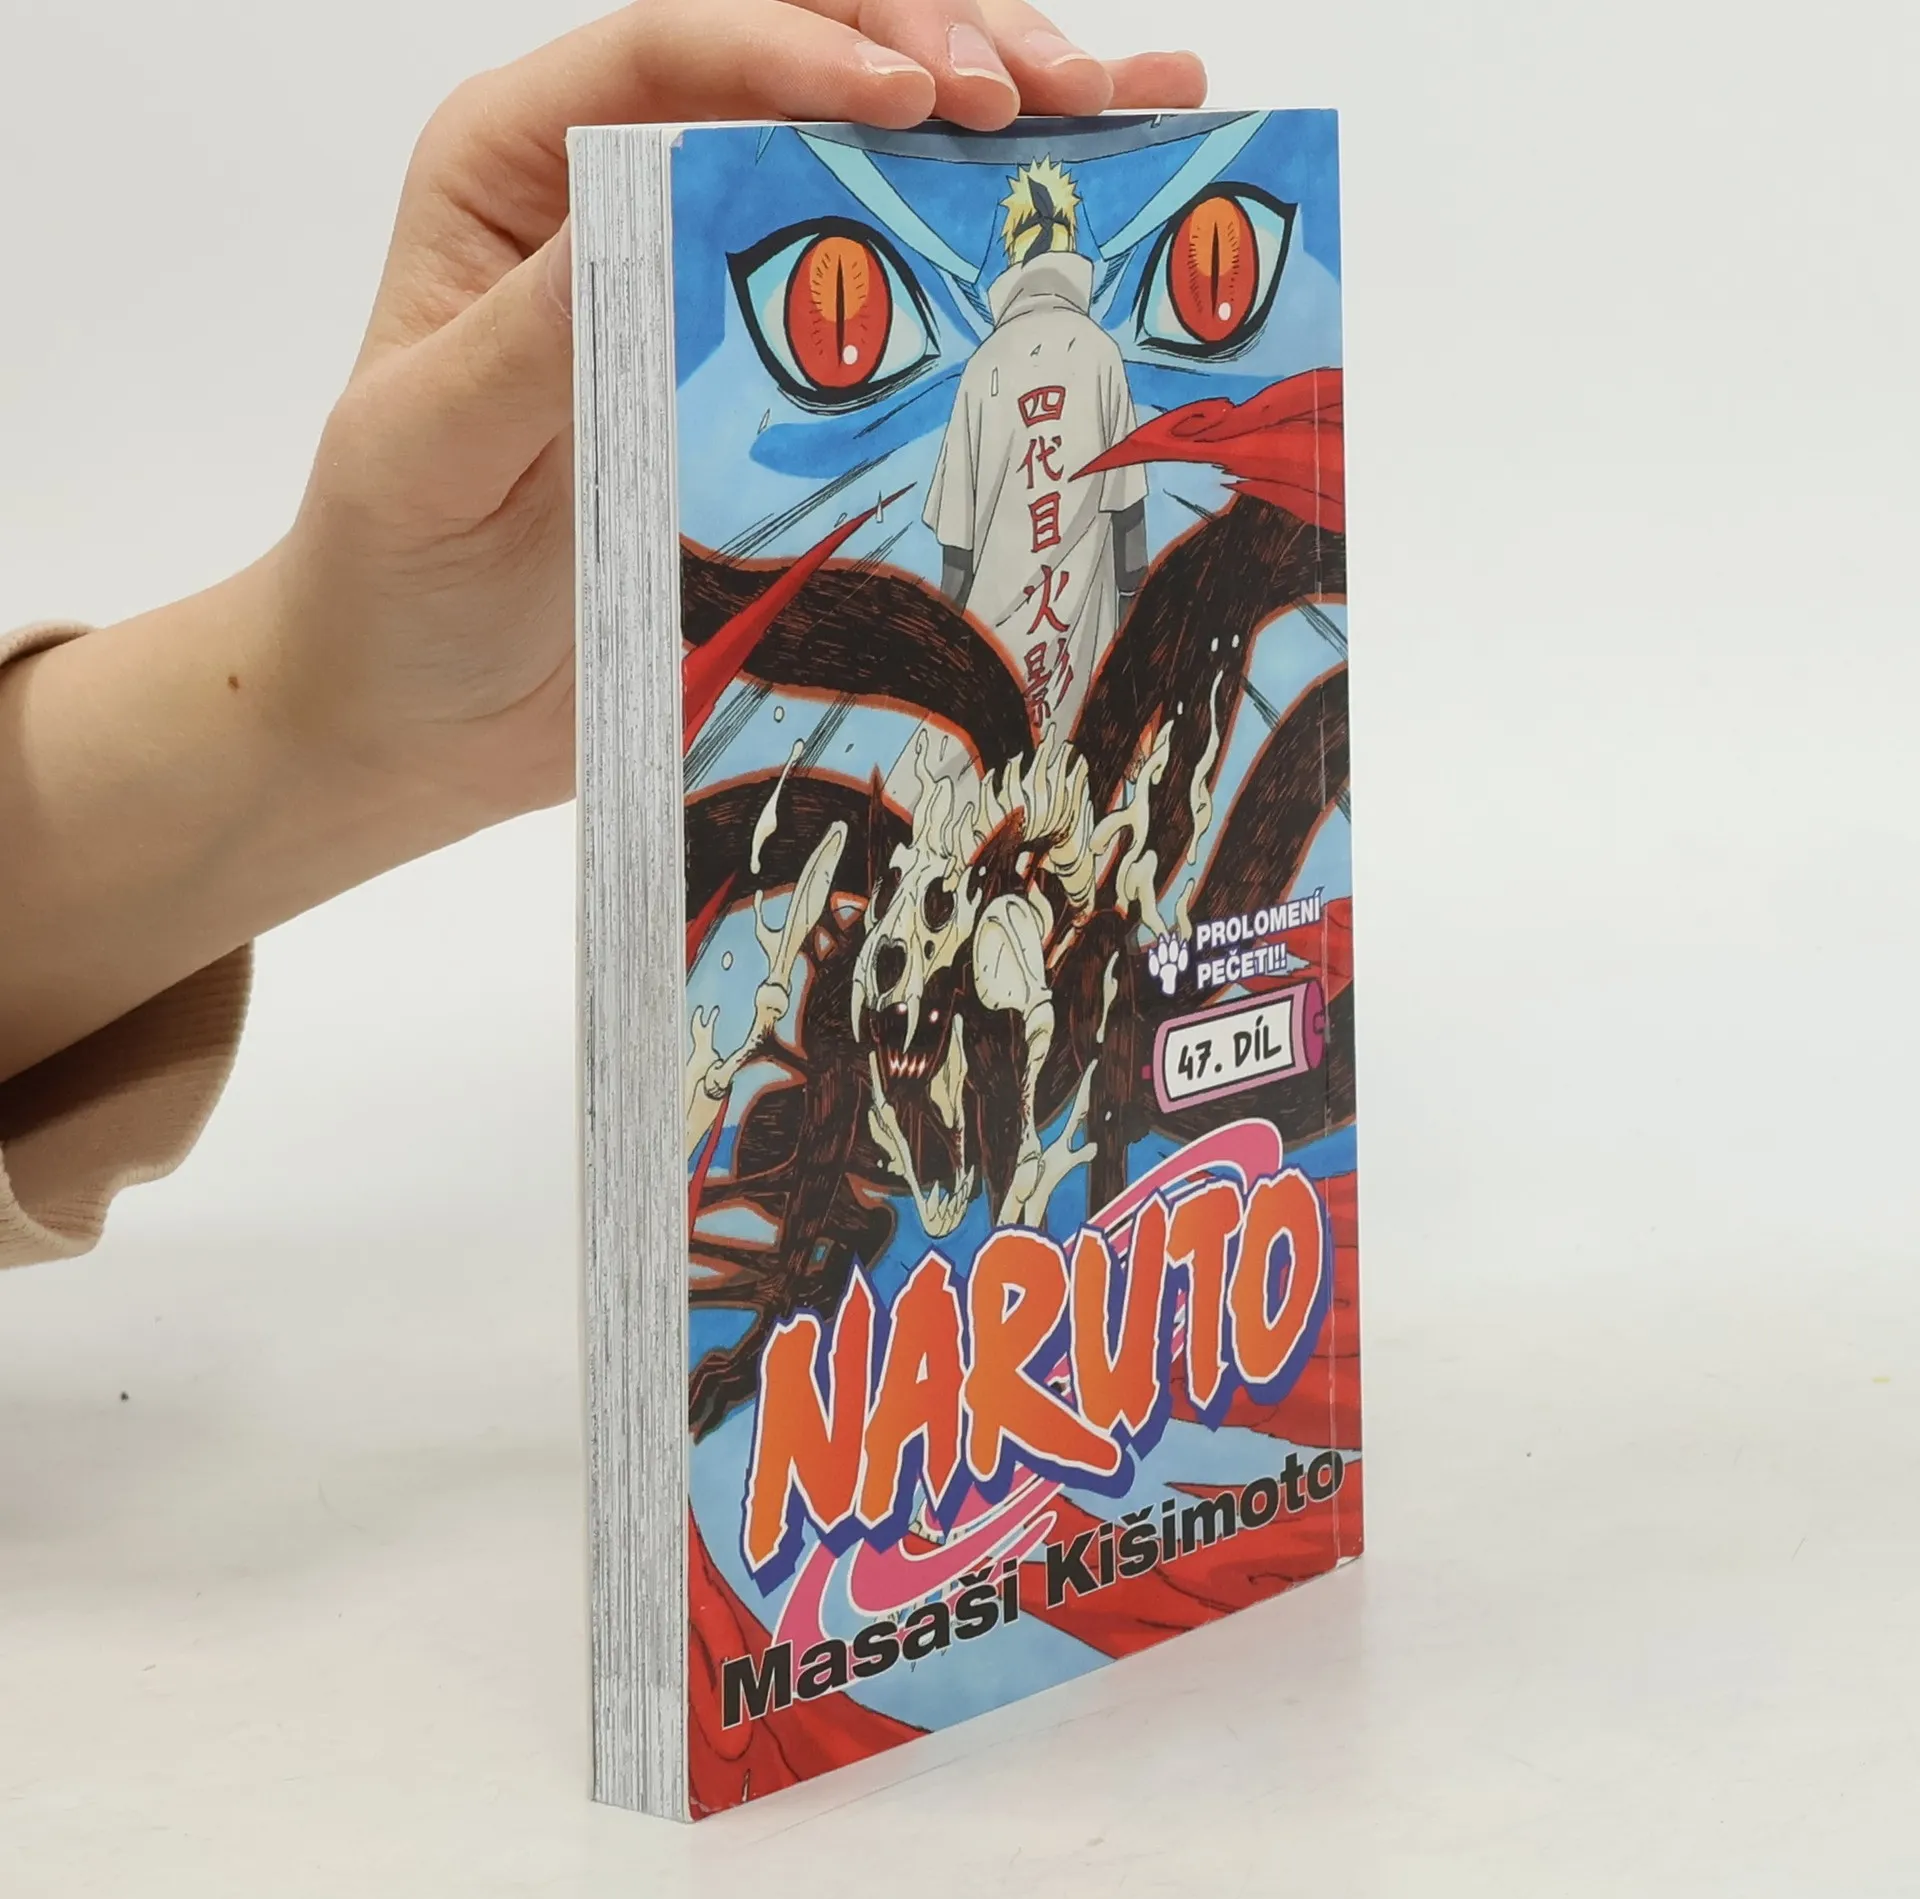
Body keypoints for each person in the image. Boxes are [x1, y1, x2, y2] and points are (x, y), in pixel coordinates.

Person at [0, 0, 1205, 1269]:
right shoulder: (1101, 358)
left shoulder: (990, 371)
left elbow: (957, 531)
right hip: (1072, 651)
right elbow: (1124, 507)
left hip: (988, 655)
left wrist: (335, 720)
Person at [923, 156, 1149, 742]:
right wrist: (1134, 650)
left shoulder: (983, 368)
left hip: (992, 670)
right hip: (1083, 663)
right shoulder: (1101, 356)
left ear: (1014, 249)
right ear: (1070, 239)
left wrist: (945, 668)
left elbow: (956, 556)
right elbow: (1130, 527)